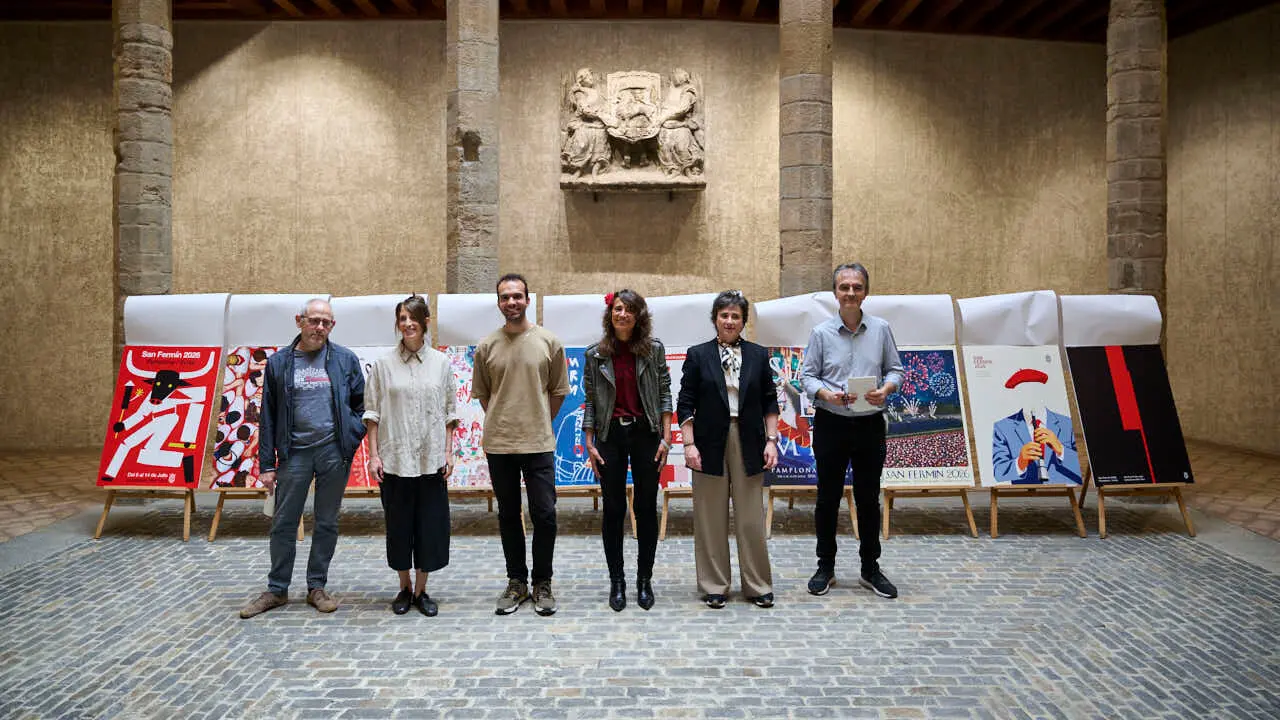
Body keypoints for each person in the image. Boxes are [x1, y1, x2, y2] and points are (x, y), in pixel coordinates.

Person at [239, 298, 366, 618]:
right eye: (314, 320)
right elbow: (267, 416)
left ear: (332, 326)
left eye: (326, 322)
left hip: (333, 453)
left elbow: (361, 405)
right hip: (294, 454)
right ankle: (277, 589)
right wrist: (267, 465)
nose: (319, 327)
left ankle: (316, 587)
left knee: (327, 522)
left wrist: (349, 439)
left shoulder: (345, 359)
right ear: (299, 321)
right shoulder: (279, 363)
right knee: (283, 522)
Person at [800, 263, 905, 600]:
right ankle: (825, 567)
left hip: (870, 424)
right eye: (844, 287)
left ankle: (870, 568)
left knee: (868, 500)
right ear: (835, 292)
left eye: (857, 287)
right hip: (831, 423)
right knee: (827, 499)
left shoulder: (881, 329)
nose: (850, 292)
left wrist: (886, 389)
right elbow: (807, 376)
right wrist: (825, 393)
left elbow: (896, 370)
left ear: (866, 292)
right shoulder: (821, 333)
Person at [473, 273, 570, 616]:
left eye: (517, 296)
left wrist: (537, 420)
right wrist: (505, 420)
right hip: (500, 444)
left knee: (545, 514)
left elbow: (557, 392)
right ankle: (516, 582)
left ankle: (542, 582)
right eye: (505, 297)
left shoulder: (549, 342)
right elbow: (485, 396)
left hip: (538, 443)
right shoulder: (487, 346)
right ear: (498, 302)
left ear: (528, 300)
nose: (511, 302)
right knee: (508, 515)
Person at [677, 290, 779, 609]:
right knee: (710, 516)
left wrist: (772, 441)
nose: (730, 321)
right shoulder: (698, 355)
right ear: (715, 319)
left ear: (743, 321)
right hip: (708, 442)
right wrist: (689, 445)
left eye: (736, 316)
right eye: (724, 315)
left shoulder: (758, 355)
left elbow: (770, 401)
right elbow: (685, 402)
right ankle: (715, 585)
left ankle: (757, 585)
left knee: (750, 517)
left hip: (749, 439)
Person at [363, 295, 459, 617]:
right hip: (395, 460)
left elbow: (450, 413)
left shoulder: (441, 364)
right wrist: (374, 456)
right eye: (402, 318)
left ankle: (421, 590)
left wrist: (448, 452)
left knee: (430, 527)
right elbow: (372, 414)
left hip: (431, 460)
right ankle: (404, 587)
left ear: (425, 322)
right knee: (399, 527)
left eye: (413, 318)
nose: (407, 324)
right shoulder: (383, 365)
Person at [582, 290, 673, 612]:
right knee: (613, 509)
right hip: (609, 436)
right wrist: (589, 442)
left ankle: (644, 580)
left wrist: (666, 437)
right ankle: (617, 581)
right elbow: (591, 401)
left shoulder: (653, 350)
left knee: (646, 507)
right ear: (610, 314)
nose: (623, 314)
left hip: (646, 434)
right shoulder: (595, 354)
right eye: (618, 308)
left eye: (630, 310)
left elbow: (664, 393)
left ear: (639, 316)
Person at [991, 369, 1081, 485]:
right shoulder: (1003, 427)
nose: (1031, 397)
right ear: (1017, 396)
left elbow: (1081, 468)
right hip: (1024, 491)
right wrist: (1020, 462)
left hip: (1062, 488)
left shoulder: (1066, 424)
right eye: (1024, 393)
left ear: (1044, 393)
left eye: (1035, 392)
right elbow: (998, 473)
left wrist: (1060, 449)